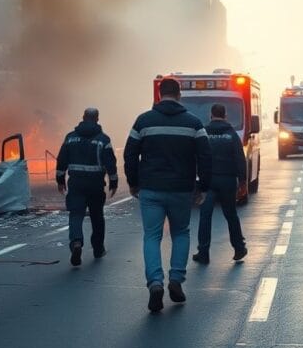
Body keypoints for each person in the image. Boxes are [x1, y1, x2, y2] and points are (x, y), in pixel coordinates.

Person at [124, 78, 212, 312]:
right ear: (179, 94)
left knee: (152, 236)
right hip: (181, 190)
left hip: (151, 189)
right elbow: (205, 156)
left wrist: (133, 183)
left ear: (159, 95)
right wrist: (203, 187)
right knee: (180, 233)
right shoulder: (194, 123)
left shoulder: (143, 121)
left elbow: (130, 154)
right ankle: (176, 280)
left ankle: (155, 283)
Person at [55, 108, 118, 266]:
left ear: (83, 118)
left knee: (76, 215)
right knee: (97, 217)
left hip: (76, 184)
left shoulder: (70, 138)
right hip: (96, 185)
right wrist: (113, 182)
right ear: (97, 119)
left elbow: (62, 160)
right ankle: (98, 249)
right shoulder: (103, 140)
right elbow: (110, 163)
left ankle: (76, 242)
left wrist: (60, 180)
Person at [193, 103, 247, 264]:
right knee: (231, 215)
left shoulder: (204, 133)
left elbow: (197, 157)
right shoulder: (231, 134)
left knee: (205, 216)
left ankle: (203, 253)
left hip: (208, 181)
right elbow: (240, 159)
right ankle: (239, 248)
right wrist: (243, 182)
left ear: (211, 115)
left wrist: (196, 181)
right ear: (225, 116)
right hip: (228, 181)